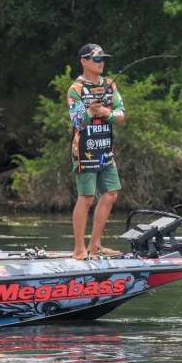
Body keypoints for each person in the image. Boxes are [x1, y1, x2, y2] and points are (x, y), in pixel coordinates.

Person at [67, 44, 126, 260]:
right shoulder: (76, 89)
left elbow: (121, 115)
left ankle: (95, 246)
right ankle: (79, 249)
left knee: (111, 193)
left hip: (105, 149)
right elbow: (77, 121)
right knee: (87, 198)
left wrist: (104, 112)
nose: (102, 63)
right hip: (84, 150)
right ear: (84, 61)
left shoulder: (110, 85)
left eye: (103, 59)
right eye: (97, 59)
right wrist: (90, 112)